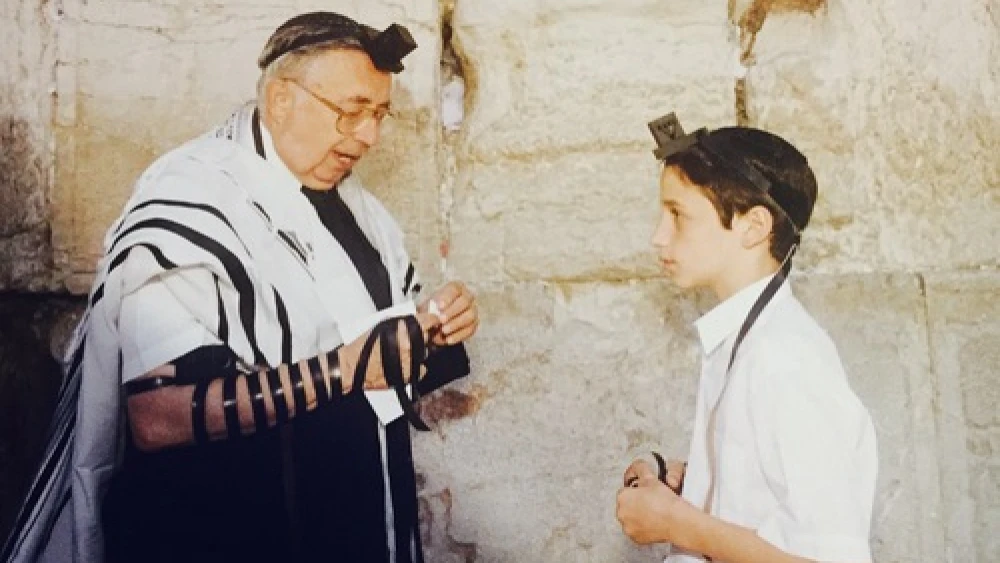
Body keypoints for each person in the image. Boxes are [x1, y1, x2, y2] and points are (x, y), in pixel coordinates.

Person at [2, 11, 479, 563]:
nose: (368, 137)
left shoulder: (362, 214)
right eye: (351, 113)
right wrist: (345, 370)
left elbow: (374, 358)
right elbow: (156, 417)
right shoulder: (189, 200)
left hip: (355, 526)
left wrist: (432, 331)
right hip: (236, 534)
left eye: (378, 114)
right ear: (281, 100)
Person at [616, 114, 877, 563]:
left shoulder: (785, 360)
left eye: (677, 215)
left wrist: (676, 523)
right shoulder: (748, 339)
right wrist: (691, 480)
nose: (658, 238)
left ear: (754, 227)